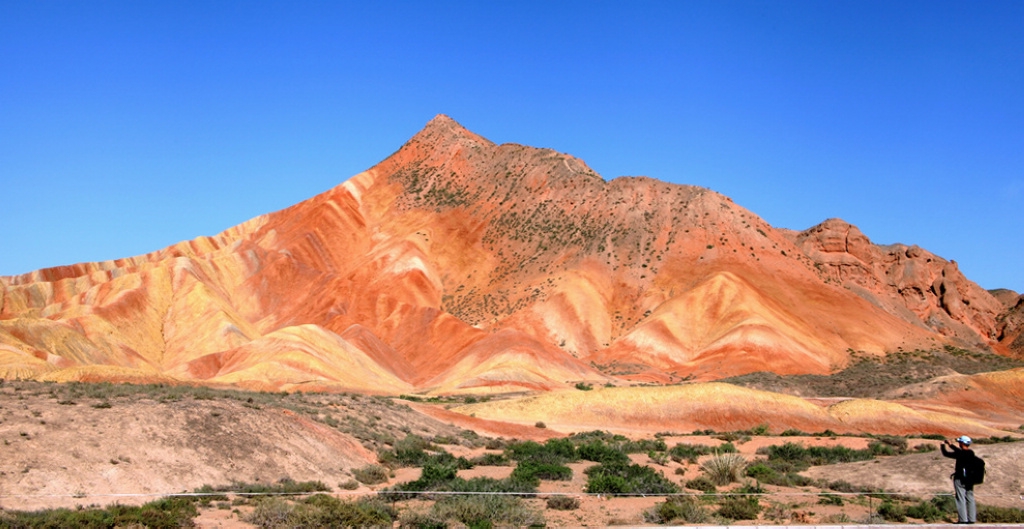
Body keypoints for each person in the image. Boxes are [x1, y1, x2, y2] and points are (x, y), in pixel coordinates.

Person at [941, 435, 977, 524]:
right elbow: (959, 451)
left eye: (959, 442)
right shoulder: (971, 453)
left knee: (960, 498)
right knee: (970, 498)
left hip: (960, 479)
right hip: (970, 479)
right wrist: (951, 445)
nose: (958, 444)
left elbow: (946, 454)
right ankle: (972, 519)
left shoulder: (960, 454)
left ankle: (963, 519)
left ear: (962, 443)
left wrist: (943, 446)